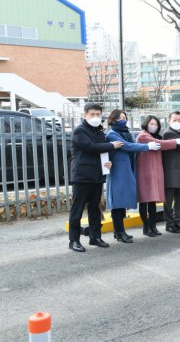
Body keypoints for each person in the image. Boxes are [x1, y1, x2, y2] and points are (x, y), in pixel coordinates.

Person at [68, 103, 123, 252]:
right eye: (92, 114)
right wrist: (112, 145)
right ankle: (74, 241)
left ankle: (95, 237)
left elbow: (101, 152)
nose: (95, 117)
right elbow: (91, 147)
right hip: (82, 176)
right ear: (85, 115)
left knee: (95, 208)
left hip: (97, 175)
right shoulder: (80, 131)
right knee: (77, 210)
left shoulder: (100, 132)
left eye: (98, 114)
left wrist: (108, 163)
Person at [105, 109, 161, 243]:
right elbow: (128, 146)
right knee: (117, 203)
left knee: (122, 202)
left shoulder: (125, 133)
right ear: (113, 120)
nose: (123, 120)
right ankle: (119, 231)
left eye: (124, 117)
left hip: (126, 170)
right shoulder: (112, 134)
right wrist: (147, 146)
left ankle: (119, 231)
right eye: (120, 118)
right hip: (118, 171)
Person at [136, 115, 179, 237]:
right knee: (144, 200)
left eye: (156, 124)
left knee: (153, 201)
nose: (153, 126)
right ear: (146, 124)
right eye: (151, 124)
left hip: (154, 172)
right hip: (144, 173)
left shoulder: (153, 136)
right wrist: (175, 142)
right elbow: (160, 144)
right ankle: (146, 226)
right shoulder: (143, 135)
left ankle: (152, 226)